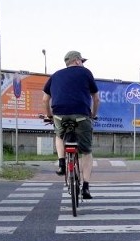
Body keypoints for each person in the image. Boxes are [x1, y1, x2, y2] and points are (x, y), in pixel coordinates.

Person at [43, 50, 100, 199]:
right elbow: (96, 98)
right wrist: (92, 116)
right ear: (76, 61)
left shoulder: (55, 75)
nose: (82, 63)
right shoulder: (85, 72)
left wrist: (50, 116)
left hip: (59, 115)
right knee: (86, 151)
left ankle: (62, 163)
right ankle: (86, 187)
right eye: (81, 60)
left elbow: (45, 99)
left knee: (59, 135)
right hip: (82, 115)